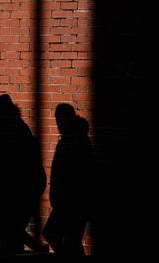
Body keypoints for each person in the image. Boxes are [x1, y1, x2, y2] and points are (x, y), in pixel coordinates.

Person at [0, 94, 48, 254]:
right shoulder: (20, 127)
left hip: (7, 186)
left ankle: (33, 248)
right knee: (10, 228)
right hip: (18, 186)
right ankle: (35, 247)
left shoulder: (0, 129)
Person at [43, 104, 93, 257]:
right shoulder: (71, 139)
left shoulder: (76, 140)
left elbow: (79, 173)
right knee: (71, 239)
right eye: (57, 119)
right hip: (69, 201)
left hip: (72, 201)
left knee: (57, 234)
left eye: (60, 119)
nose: (58, 123)